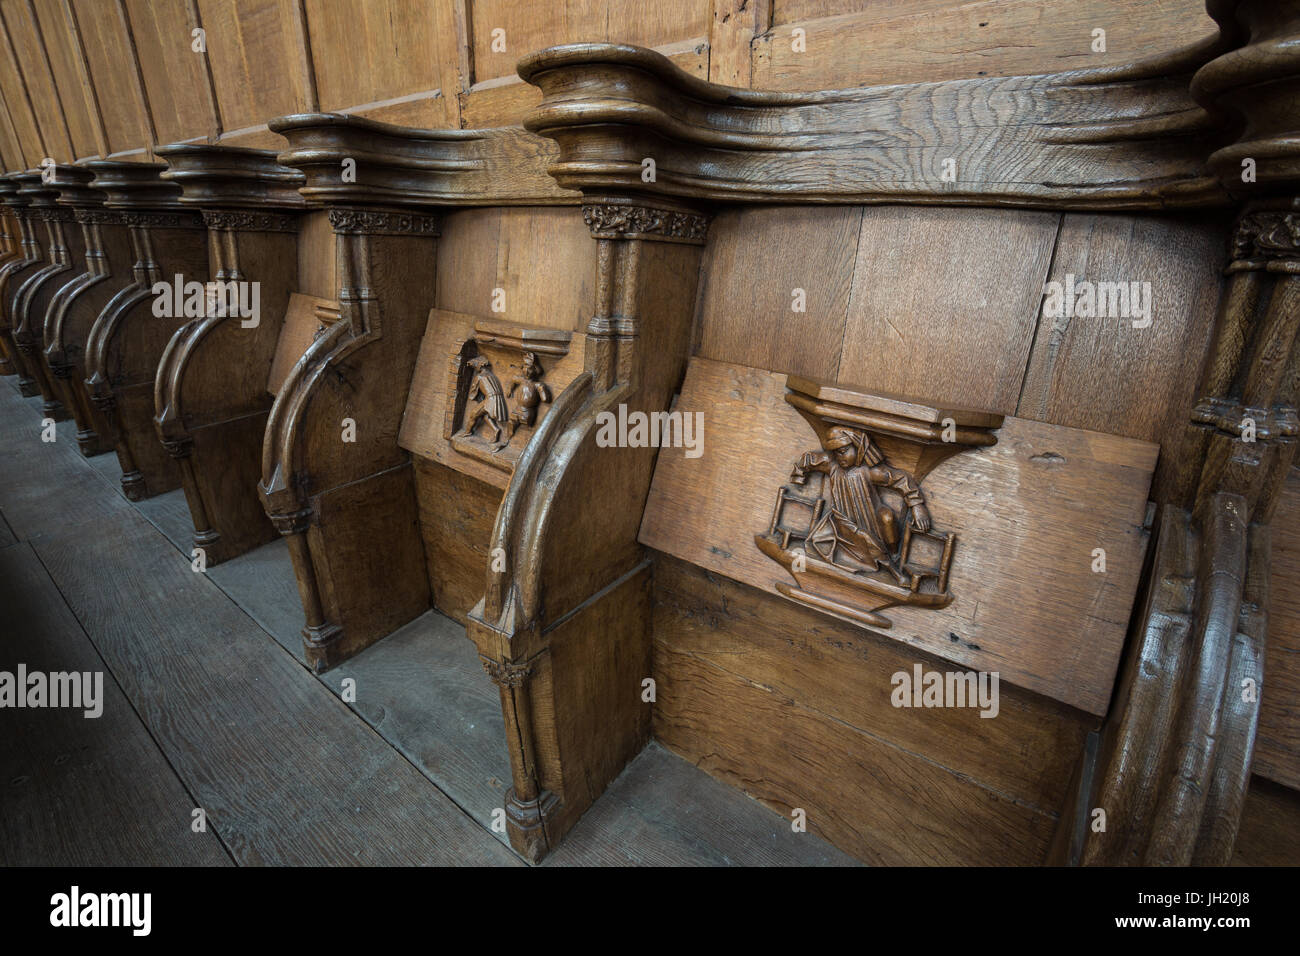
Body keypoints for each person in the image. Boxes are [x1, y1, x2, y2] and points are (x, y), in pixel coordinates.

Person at [792, 426, 930, 585]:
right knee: (865, 538)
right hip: (843, 523)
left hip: (871, 520)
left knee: (886, 517)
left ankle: (893, 556)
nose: (839, 456)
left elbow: (900, 478)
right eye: (836, 452)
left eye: (844, 451)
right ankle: (892, 571)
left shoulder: (870, 471)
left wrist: (917, 505)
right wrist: (799, 476)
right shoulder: (832, 466)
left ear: (859, 448)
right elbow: (808, 459)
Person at [459, 356, 509, 449]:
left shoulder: (479, 376)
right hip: (498, 400)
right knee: (485, 414)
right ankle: (496, 430)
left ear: (479, 366)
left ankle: (468, 432)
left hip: (490, 399)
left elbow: (472, 393)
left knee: (473, 414)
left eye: (475, 366)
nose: (475, 368)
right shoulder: (492, 376)